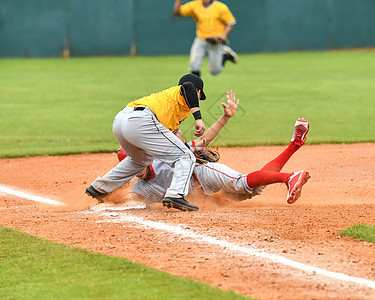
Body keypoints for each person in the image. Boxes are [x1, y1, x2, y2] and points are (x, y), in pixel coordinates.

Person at [114, 98, 311, 211]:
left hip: (204, 174)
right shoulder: (142, 188)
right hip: (209, 196)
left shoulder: (162, 155)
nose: (136, 170)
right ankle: (295, 144)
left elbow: (202, 142)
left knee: (242, 182)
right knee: (255, 186)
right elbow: (128, 202)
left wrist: (225, 117)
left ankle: (289, 178)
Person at [85, 74, 208, 211]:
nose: (198, 100)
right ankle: (175, 195)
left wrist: (189, 148)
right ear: (197, 92)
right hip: (141, 120)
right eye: (199, 95)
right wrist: (198, 118)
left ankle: (100, 188)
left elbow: (173, 138)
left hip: (123, 120)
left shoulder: (170, 105)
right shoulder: (181, 91)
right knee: (185, 157)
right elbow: (187, 86)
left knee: (141, 160)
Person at [174, 0, 239, 77]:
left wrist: (223, 35)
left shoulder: (220, 7)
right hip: (201, 39)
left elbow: (231, 22)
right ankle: (196, 87)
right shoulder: (195, 5)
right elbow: (177, 12)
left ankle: (225, 55)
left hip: (215, 41)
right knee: (194, 65)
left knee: (215, 71)